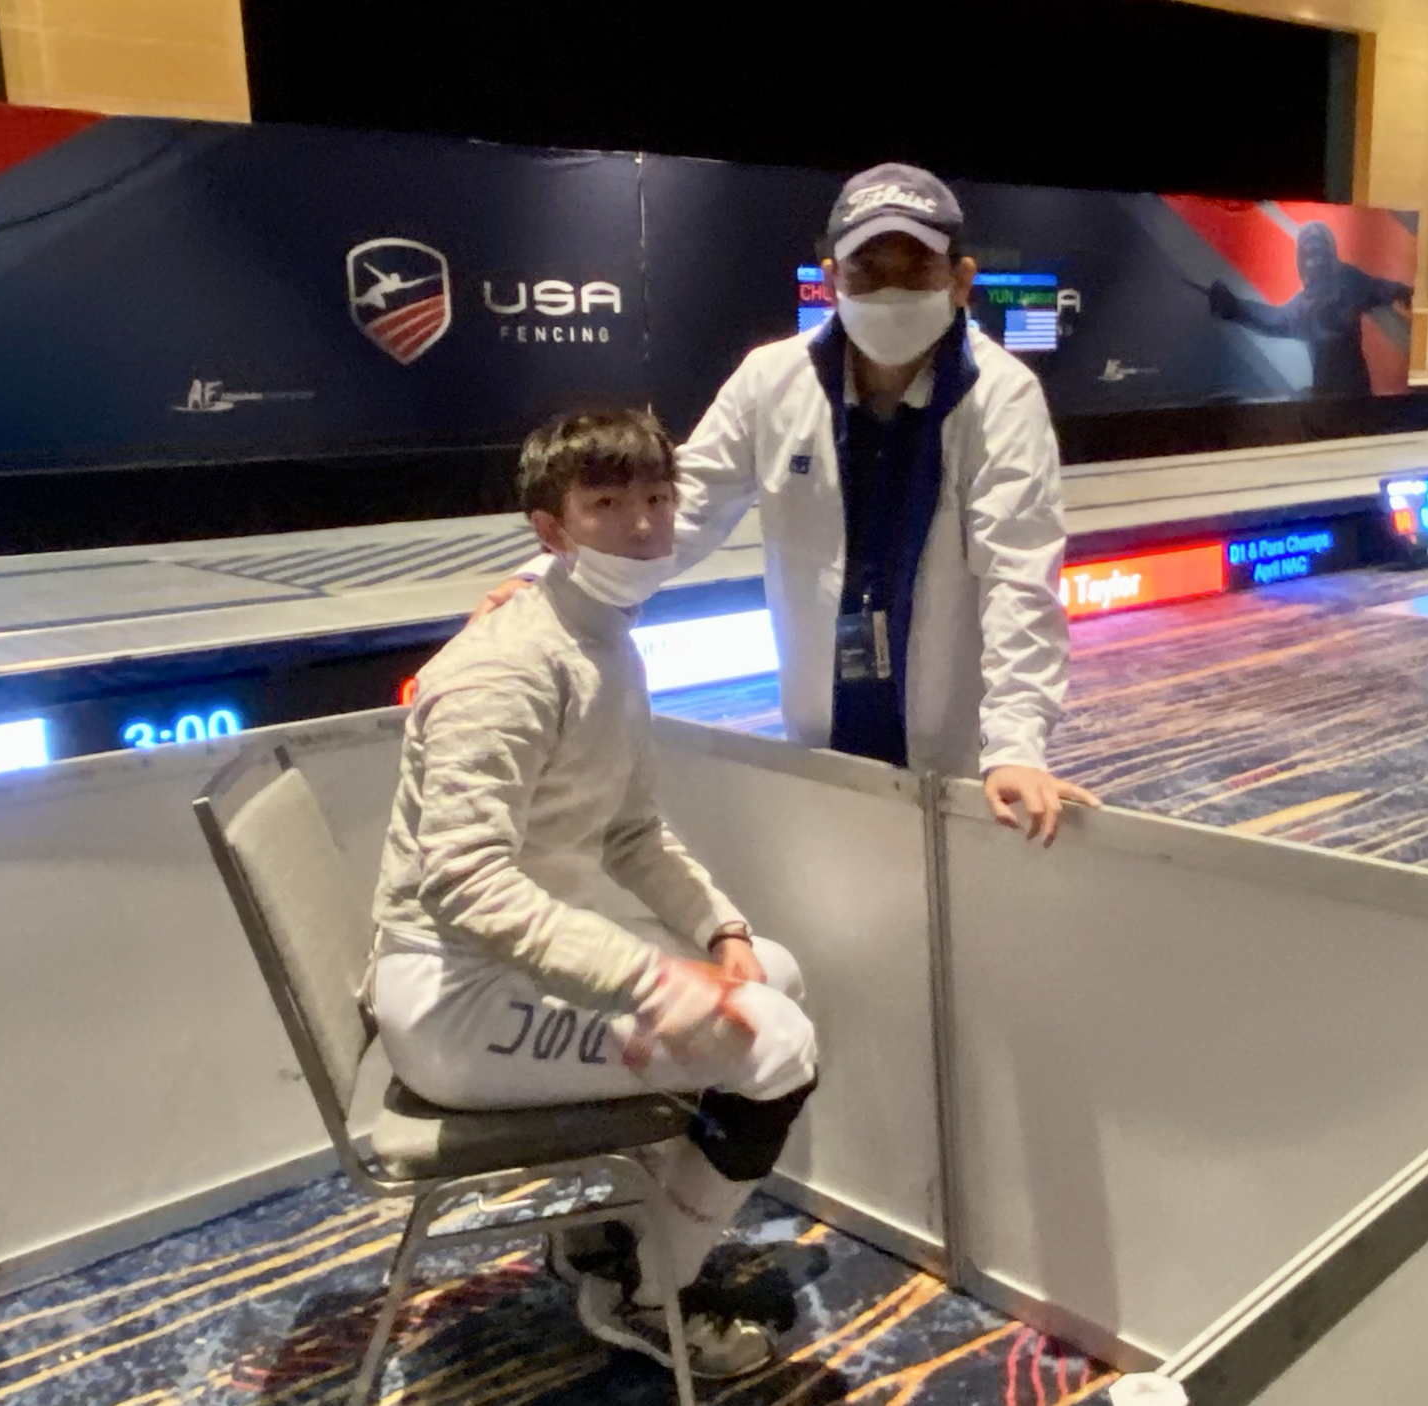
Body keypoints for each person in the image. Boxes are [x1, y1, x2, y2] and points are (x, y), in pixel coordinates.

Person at [368, 410, 819, 1380]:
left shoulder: (603, 636)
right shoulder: (505, 666)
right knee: (776, 1045)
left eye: (657, 498)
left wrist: (718, 927)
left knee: (771, 972)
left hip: (511, 977)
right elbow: (464, 881)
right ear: (551, 528)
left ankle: (605, 1236)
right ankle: (649, 1292)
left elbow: (629, 829)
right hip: (456, 1003)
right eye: (606, 503)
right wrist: (655, 981)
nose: (644, 525)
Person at [479, 163, 1098, 843]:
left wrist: (1014, 744)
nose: (889, 290)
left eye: (914, 268)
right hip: (817, 731)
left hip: (957, 749)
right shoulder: (770, 380)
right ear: (832, 281)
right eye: (868, 270)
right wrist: (554, 581)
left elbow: (1018, 579)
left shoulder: (1002, 397)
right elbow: (678, 514)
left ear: (960, 280)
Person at [1203, 220, 1412, 398]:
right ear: (1302, 261)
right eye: (1309, 255)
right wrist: (1232, 306)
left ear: (1329, 253)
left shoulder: (1349, 281)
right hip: (1328, 397)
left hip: (1356, 394)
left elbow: (1377, 288)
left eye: (1319, 253)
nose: (1315, 262)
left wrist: (1401, 291)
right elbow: (1272, 319)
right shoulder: (1305, 306)